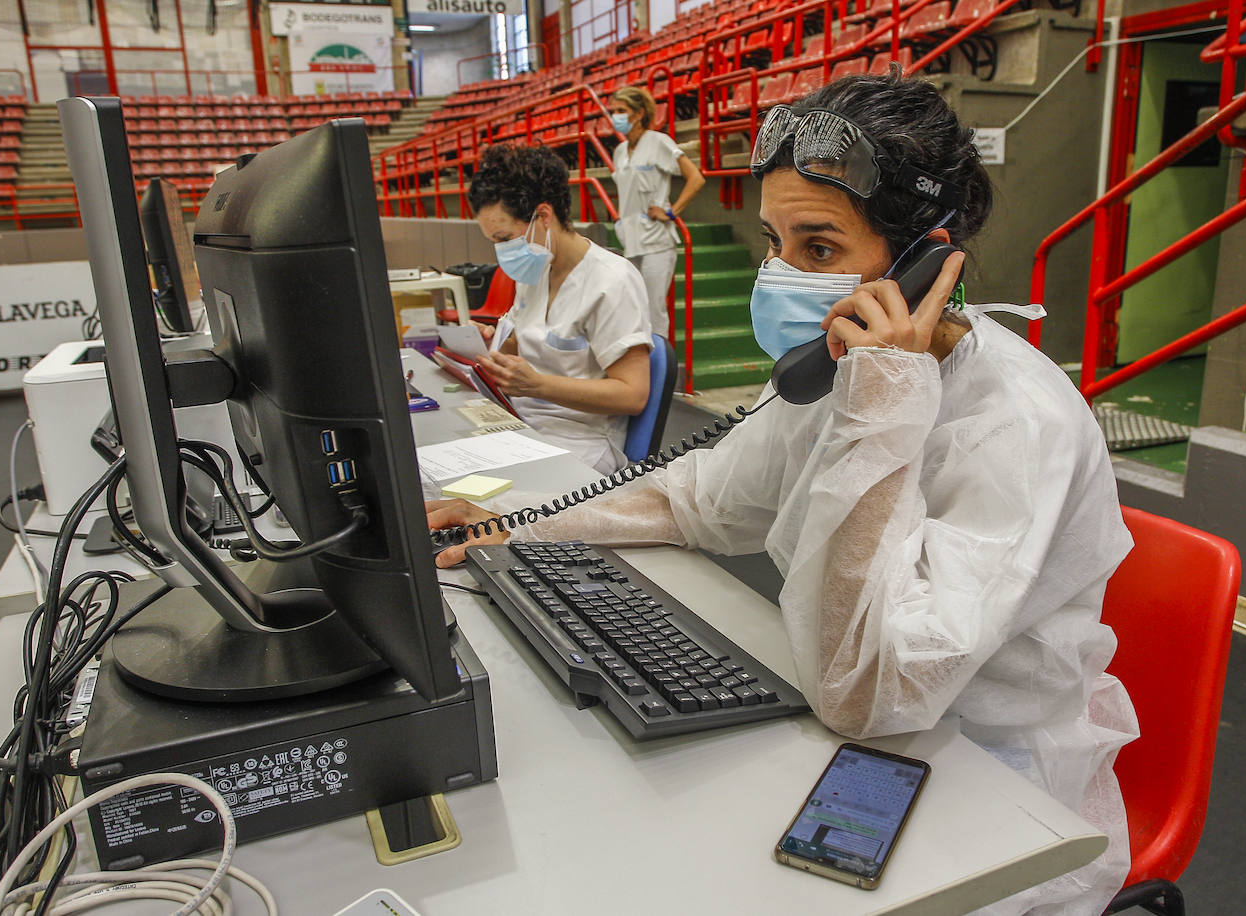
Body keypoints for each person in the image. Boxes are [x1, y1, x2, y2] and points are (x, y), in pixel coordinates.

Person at [434, 74, 1138, 915]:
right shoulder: (847, 365)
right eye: (774, 240)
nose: (781, 274)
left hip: (990, 781)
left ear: (923, 262)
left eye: (820, 249)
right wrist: (518, 526)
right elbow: (690, 500)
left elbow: (866, 695)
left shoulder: (1015, 425)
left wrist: (886, 408)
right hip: (853, 715)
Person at [467, 143, 653, 475]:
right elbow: (521, 342)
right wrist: (492, 346)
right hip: (521, 423)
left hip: (580, 442)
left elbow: (632, 394)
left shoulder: (611, 281)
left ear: (542, 216)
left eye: (504, 238)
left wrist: (537, 385)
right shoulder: (535, 268)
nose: (500, 251)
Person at [608, 86, 706, 338]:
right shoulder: (619, 152)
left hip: (656, 241)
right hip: (629, 239)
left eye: (621, 111)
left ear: (639, 113)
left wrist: (672, 212)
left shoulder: (658, 142)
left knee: (653, 310)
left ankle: (659, 368)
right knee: (630, 308)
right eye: (613, 111)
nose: (615, 116)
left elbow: (695, 178)